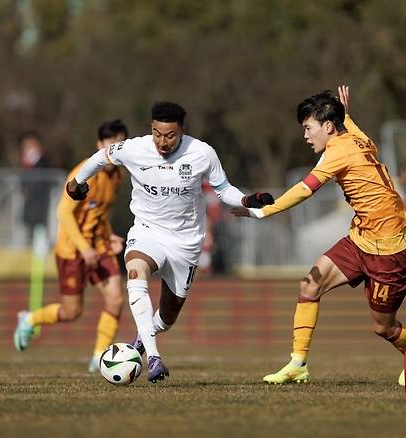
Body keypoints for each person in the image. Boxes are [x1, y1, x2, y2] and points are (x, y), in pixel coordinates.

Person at [66, 102, 274, 382]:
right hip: (147, 231)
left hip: (186, 242)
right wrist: (76, 183)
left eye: (170, 135)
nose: (162, 142)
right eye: (157, 134)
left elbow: (223, 190)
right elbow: (100, 158)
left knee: (167, 317)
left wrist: (248, 200)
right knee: (135, 272)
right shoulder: (134, 148)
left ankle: (142, 340)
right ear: (151, 128)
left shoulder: (202, 153)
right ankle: (153, 358)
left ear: (182, 131)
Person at [232, 86, 406, 386]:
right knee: (310, 283)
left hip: (389, 251)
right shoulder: (355, 136)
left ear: (328, 126)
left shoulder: (337, 152)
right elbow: (348, 126)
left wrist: (264, 212)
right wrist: (346, 111)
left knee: (383, 328)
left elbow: (305, 189)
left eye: (308, 128)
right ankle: (297, 364)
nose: (305, 136)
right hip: (361, 239)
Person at [14, 120, 129, 372]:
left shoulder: (119, 174)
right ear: (100, 145)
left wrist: (109, 236)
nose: (115, 149)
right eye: (111, 143)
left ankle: (100, 357)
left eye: (120, 143)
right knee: (71, 312)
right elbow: (63, 213)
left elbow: (101, 212)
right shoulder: (85, 173)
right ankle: (30, 319)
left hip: (98, 245)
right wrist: (84, 249)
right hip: (72, 250)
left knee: (116, 298)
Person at [19, 131, 51, 243]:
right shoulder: (26, 162)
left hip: (39, 200)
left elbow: (41, 180)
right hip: (30, 202)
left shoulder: (42, 160)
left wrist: (30, 190)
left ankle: (39, 258)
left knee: (39, 230)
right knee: (29, 228)